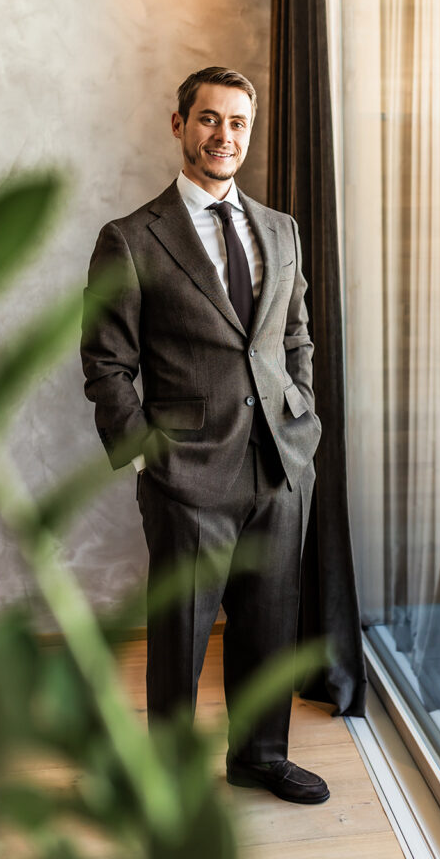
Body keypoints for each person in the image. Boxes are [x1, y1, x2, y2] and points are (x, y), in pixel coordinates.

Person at [80, 66, 329, 804]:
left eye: (238, 122)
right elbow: (105, 363)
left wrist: (303, 419)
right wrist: (145, 459)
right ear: (180, 125)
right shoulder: (131, 238)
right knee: (181, 634)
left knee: (270, 622)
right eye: (210, 119)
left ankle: (260, 757)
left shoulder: (280, 228)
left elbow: (295, 336)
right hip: (185, 472)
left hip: (280, 464)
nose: (224, 135)